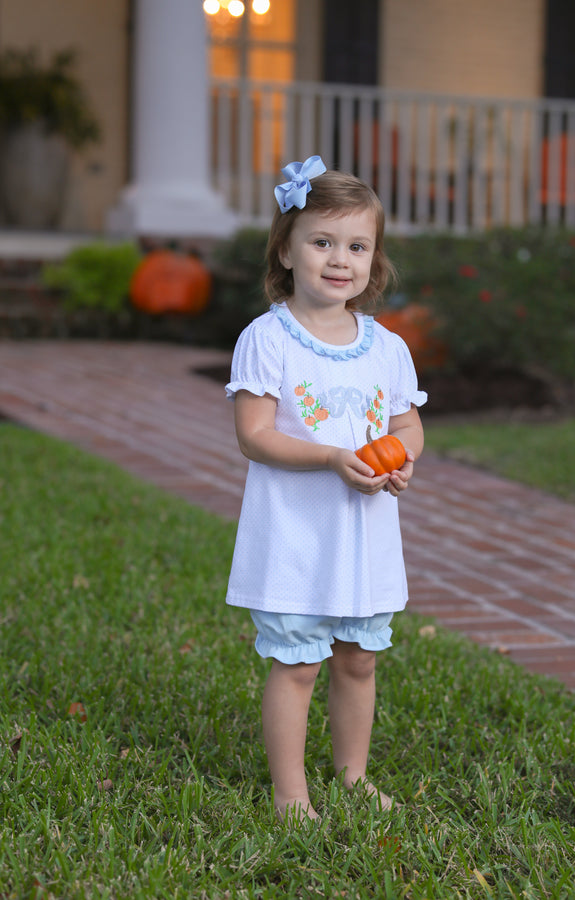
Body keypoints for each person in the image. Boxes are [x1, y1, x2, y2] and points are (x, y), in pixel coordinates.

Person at [225, 155, 427, 823]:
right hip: (297, 534)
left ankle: (353, 777)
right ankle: (291, 795)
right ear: (285, 249)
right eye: (321, 241)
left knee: (359, 661)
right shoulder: (269, 339)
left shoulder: (386, 347)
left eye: (357, 246)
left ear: (374, 258)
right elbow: (255, 434)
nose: (340, 259)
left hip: (363, 536)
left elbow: (406, 423)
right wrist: (334, 457)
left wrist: (404, 460)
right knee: (298, 666)